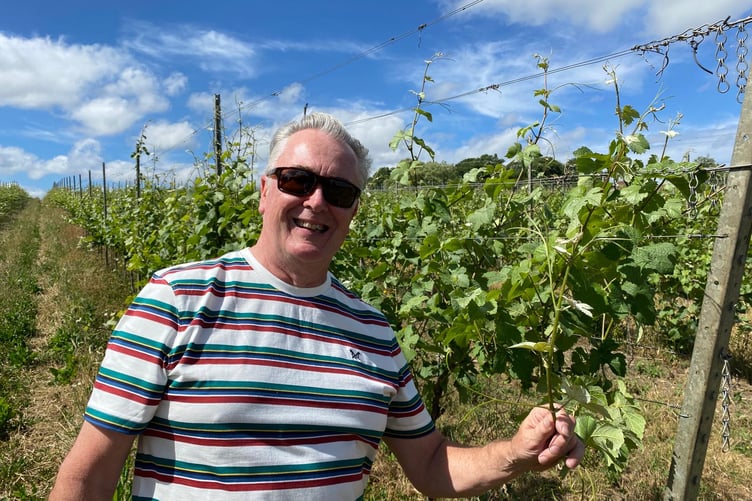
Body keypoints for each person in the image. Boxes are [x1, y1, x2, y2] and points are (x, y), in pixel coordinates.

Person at [50, 112, 584, 500]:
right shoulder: (179, 298)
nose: (316, 202)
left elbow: (429, 465)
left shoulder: (373, 331)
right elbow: (90, 475)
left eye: (339, 191)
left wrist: (516, 452)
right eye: (297, 181)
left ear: (353, 211)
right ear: (264, 190)